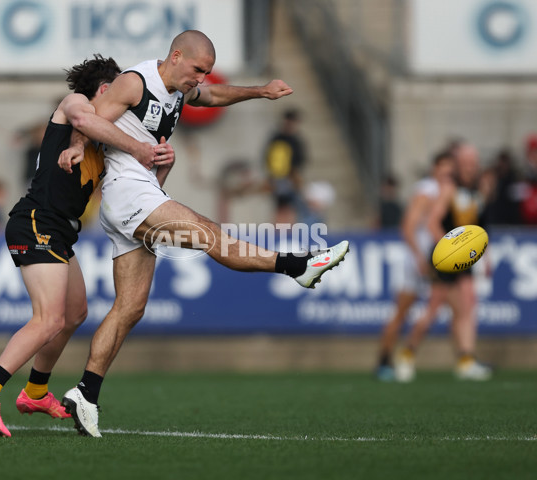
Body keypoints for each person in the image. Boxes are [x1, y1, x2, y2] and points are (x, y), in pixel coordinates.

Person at [58, 30, 350, 437]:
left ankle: (85, 393)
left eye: (207, 72)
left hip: (139, 196)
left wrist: (261, 92)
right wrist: (75, 146)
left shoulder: (182, 90)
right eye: (198, 69)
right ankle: (297, 265)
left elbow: (213, 97)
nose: (201, 79)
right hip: (128, 195)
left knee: (131, 308)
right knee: (212, 235)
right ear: (175, 56)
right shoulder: (135, 82)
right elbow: (91, 115)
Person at [0, 55, 162, 437]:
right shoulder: (74, 104)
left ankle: (36, 392)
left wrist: (157, 159)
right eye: (119, 91)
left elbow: (146, 180)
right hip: (37, 221)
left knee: (74, 313)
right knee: (49, 318)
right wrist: (137, 146)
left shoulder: (103, 139)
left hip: (60, 231)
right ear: (105, 89)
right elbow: (84, 119)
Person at [393, 143, 493, 381]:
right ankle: (407, 354)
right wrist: (450, 248)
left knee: (466, 306)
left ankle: (466, 360)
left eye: (474, 160)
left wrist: (485, 256)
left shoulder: (478, 188)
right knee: (435, 307)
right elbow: (433, 223)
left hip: (464, 259)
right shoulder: (449, 188)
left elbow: (479, 227)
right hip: (446, 257)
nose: (471, 165)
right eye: (467, 160)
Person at [375, 152, 455, 381]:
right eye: (443, 169)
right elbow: (408, 226)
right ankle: (386, 360)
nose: (446, 174)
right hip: (417, 259)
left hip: (432, 258)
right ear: (434, 169)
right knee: (402, 311)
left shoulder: (444, 191)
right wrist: (419, 257)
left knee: (445, 305)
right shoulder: (427, 191)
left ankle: (406, 354)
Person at [264, 108, 307, 225]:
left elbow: (299, 161)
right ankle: (281, 234)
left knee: (290, 208)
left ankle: (287, 233)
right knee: (283, 208)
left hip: (289, 179)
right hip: (281, 178)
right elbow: (269, 158)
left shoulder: (294, 140)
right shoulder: (279, 139)